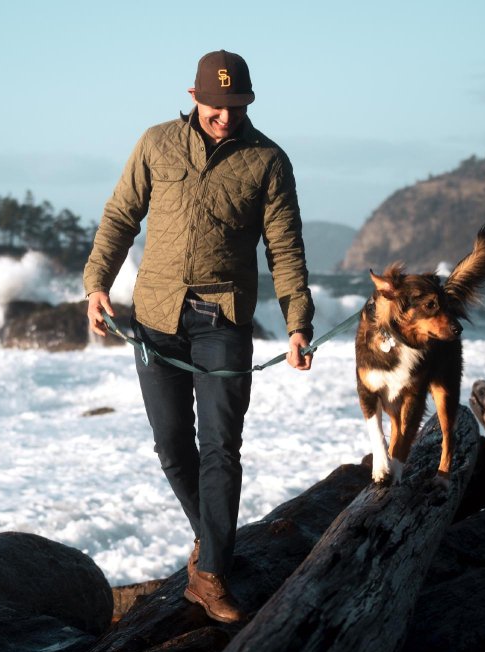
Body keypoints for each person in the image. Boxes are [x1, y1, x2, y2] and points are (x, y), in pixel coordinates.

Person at [84, 49, 314, 623]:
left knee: (221, 447)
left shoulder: (268, 161)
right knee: (170, 446)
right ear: (194, 98)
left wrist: (298, 324)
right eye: (216, 106)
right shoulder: (157, 143)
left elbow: (284, 249)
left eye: (236, 107)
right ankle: (212, 542)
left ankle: (209, 574)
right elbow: (120, 215)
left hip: (223, 321)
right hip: (154, 318)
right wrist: (97, 283)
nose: (225, 117)